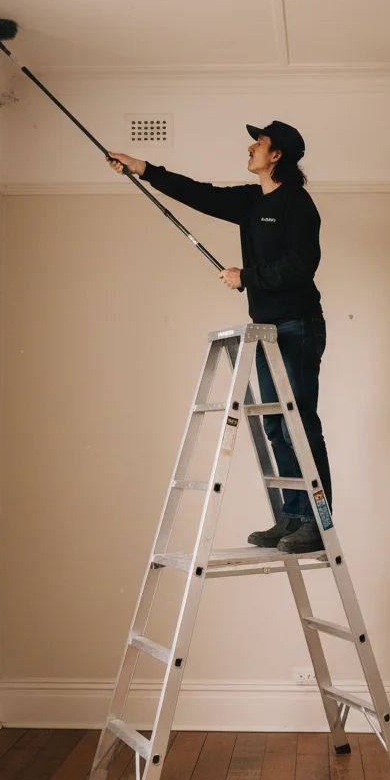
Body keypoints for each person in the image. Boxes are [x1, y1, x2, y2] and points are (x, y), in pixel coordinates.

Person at [108, 121, 331, 554]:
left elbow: (302, 265)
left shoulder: (297, 204)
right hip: (266, 330)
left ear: (277, 155)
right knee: (274, 423)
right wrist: (144, 168)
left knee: (300, 424)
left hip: (297, 327)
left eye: (259, 143)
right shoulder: (251, 200)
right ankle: (291, 515)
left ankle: (316, 522)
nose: (250, 148)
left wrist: (246, 276)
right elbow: (199, 193)